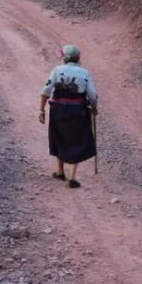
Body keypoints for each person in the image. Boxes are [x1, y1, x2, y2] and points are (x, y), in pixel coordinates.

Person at [38, 44, 98, 188]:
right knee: (76, 140)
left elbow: (46, 90)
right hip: (78, 111)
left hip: (58, 109)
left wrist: (41, 110)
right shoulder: (84, 73)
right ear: (78, 58)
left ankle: (60, 172)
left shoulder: (57, 71)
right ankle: (72, 176)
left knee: (59, 137)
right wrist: (94, 108)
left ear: (64, 58)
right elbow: (93, 96)